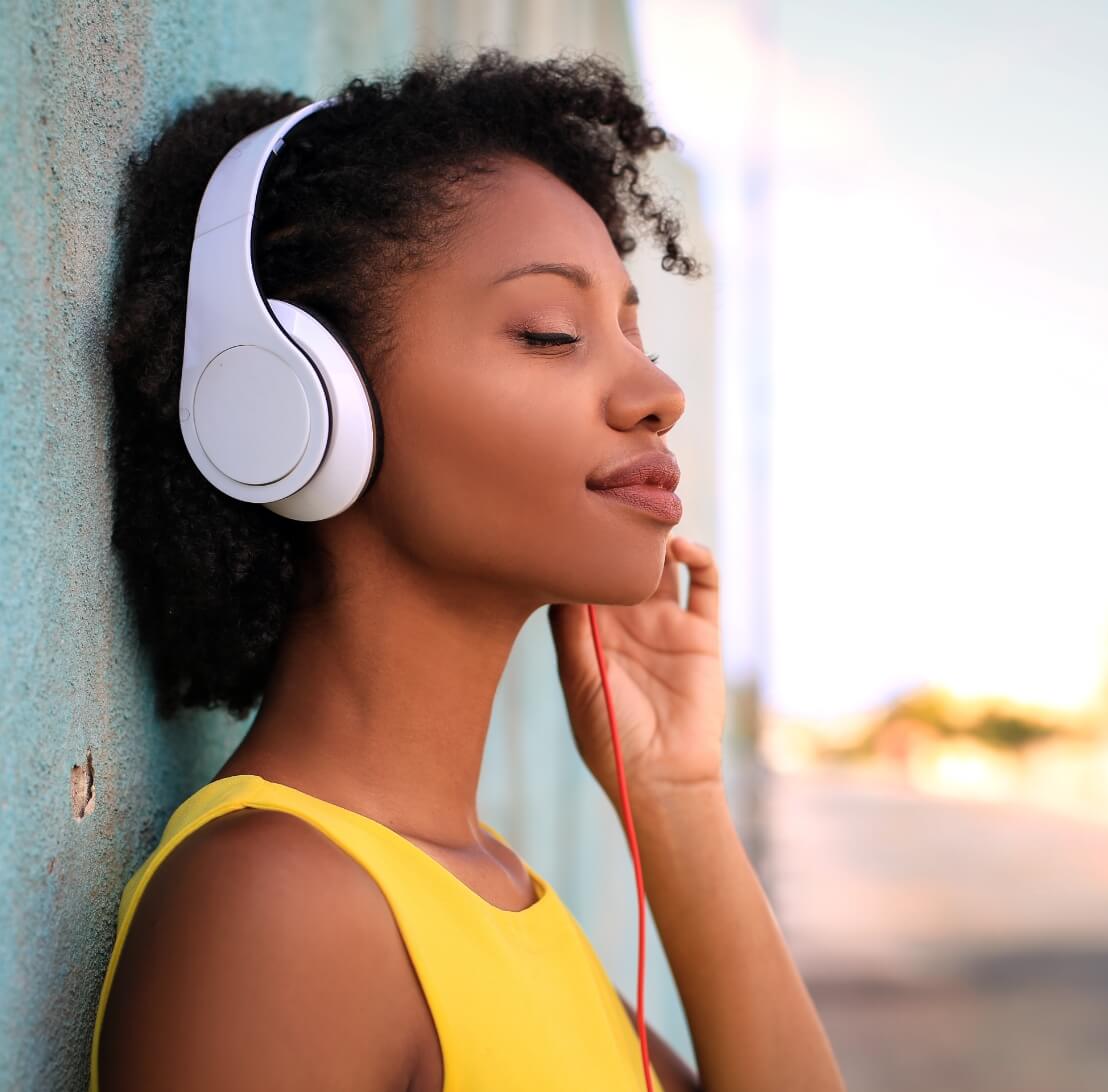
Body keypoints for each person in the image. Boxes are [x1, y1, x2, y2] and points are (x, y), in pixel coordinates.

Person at [90, 48, 845, 1092]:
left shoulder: (492, 892)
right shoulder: (280, 909)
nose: (657, 392)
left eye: (636, 333)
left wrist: (675, 791)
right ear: (293, 402)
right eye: (550, 333)